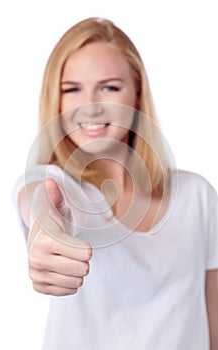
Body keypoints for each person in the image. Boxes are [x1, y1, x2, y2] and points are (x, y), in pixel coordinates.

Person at [13, 17, 218, 349]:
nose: (91, 105)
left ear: (137, 92)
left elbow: (213, 325)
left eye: (109, 87)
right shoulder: (57, 184)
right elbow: (39, 202)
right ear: (57, 100)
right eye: (72, 89)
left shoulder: (198, 197)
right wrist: (45, 232)